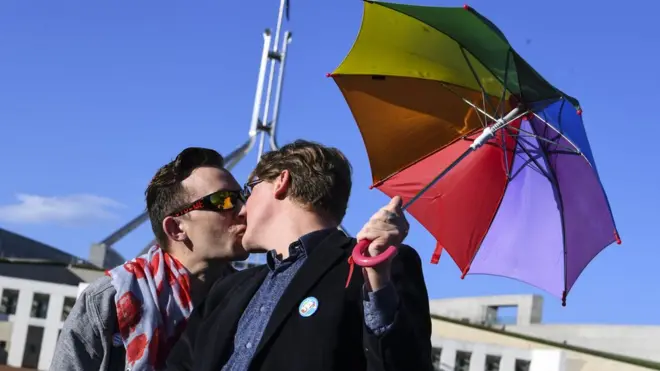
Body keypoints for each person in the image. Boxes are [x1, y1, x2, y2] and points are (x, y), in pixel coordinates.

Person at [51, 146, 407, 371]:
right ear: (176, 229)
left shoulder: (246, 289)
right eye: (223, 201)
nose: (241, 209)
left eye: (242, 195)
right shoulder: (110, 300)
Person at [165, 140, 433, 371]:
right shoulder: (228, 289)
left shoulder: (378, 266)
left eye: (249, 191)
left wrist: (377, 277)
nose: (241, 210)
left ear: (281, 181)